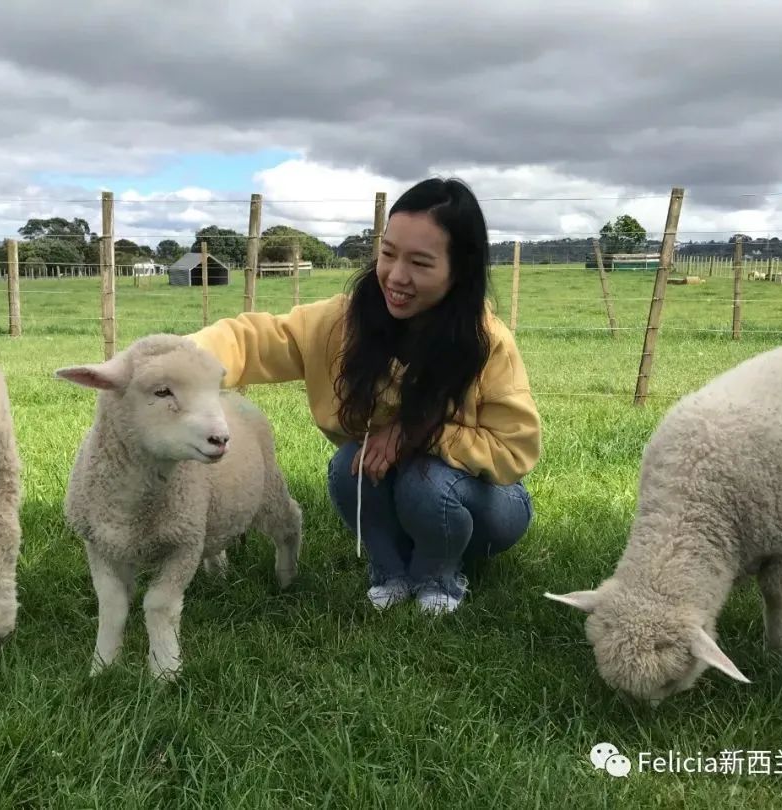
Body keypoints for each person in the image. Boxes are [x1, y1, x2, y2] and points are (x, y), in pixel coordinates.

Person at [185, 177, 540, 614]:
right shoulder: (343, 323)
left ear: (460, 269)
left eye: (421, 263)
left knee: (422, 480)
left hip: (488, 503)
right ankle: (390, 573)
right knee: (347, 465)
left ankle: (439, 577)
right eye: (388, 254)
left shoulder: (485, 343)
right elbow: (252, 339)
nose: (396, 276)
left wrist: (416, 433)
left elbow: (514, 449)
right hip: (402, 493)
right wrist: (176, 362)